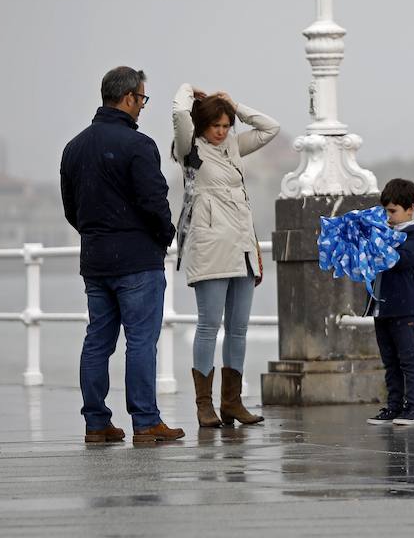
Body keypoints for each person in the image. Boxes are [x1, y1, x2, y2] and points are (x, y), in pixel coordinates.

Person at [60, 66, 184, 443]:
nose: (143, 107)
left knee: (97, 340)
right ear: (129, 98)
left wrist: (96, 234)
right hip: (136, 260)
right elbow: (154, 201)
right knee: (141, 341)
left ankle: (96, 423)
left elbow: (71, 209)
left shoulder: (74, 147)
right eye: (142, 99)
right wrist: (164, 236)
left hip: (95, 260)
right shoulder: (139, 146)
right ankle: (146, 422)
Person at [172, 83, 280, 427]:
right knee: (208, 326)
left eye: (225, 125)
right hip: (210, 249)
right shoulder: (189, 149)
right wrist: (189, 90)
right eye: (215, 125)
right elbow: (178, 113)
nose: (221, 132)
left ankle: (231, 403)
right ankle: (205, 406)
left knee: (238, 329)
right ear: (202, 124)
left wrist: (235, 104)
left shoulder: (232, 146)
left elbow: (269, 128)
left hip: (243, 248)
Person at [365, 179, 414, 426]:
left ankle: (413, 408)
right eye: (385, 211)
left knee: (408, 359)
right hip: (382, 307)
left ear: (410, 208)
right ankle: (394, 406)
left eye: (392, 211)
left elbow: (406, 260)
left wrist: (380, 244)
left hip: (405, 308)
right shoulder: (385, 235)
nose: (388, 216)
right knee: (390, 361)